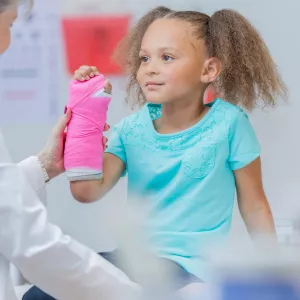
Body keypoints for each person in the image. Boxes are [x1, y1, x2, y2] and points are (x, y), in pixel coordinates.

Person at [25, 5, 288, 300]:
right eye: (144, 58)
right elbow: (86, 191)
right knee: (39, 295)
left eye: (167, 57)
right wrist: (86, 113)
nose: (150, 67)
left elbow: (254, 206)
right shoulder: (131, 130)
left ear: (208, 69)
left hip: (195, 268)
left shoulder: (230, 124)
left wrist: (275, 275)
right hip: (136, 262)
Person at [0, 1, 142, 299]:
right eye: (10, 24)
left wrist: (45, 165)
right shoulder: (132, 129)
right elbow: (30, 239)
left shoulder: (228, 125)